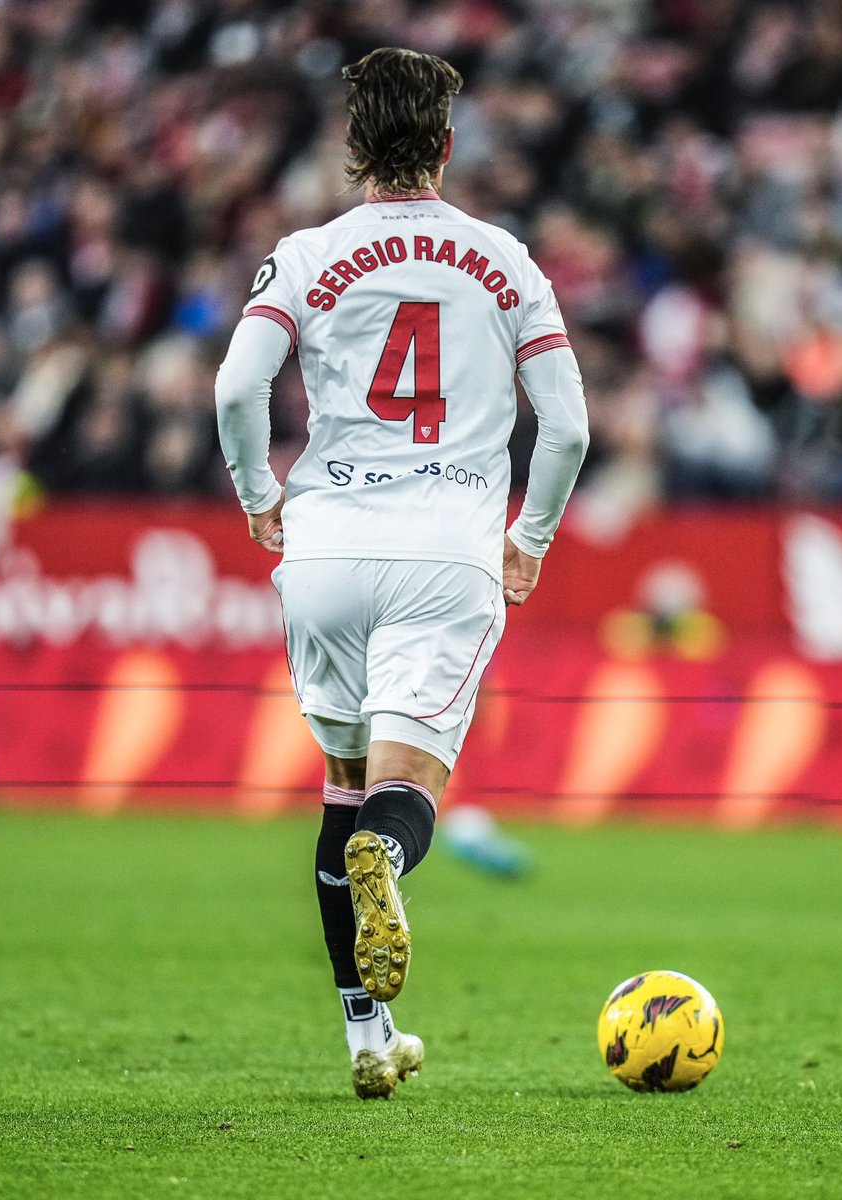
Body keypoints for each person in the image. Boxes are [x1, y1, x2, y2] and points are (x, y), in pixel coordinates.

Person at [214, 47, 589, 1099]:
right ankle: (390, 855)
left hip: (324, 546)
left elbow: (239, 389)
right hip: (445, 547)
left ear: (352, 146)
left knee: (338, 794)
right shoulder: (504, 260)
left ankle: (369, 1039)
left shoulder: (304, 254)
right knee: (398, 799)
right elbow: (566, 424)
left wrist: (258, 498)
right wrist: (532, 538)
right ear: (448, 146)